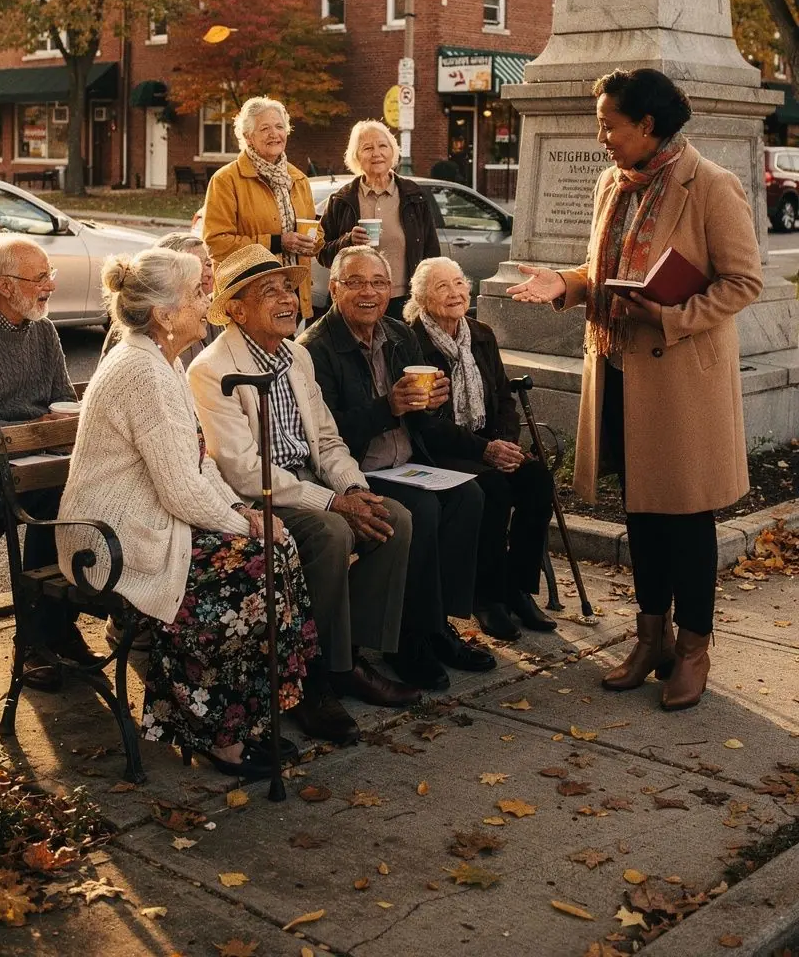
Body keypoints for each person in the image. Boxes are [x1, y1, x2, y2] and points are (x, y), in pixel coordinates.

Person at [508, 68, 763, 711]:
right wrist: (567, 284)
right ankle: (651, 639)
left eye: (610, 125)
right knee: (642, 512)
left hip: (681, 380)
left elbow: (742, 283)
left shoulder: (711, 186)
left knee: (688, 518)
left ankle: (693, 648)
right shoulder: (610, 186)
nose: (602, 138)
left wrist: (670, 316)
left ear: (646, 126)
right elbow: (606, 270)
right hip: (620, 371)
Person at [57, 247, 318, 779]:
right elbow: (180, 488)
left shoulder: (161, 358)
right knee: (252, 568)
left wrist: (243, 511)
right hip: (111, 540)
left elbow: (198, 466)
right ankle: (214, 729)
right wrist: (242, 521)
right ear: (165, 314)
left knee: (275, 550)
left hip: (152, 522)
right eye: (198, 294)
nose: (207, 304)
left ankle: (244, 716)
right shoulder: (142, 372)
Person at [189, 245, 418, 745]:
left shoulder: (296, 356)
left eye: (289, 289)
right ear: (236, 308)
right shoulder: (211, 368)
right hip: (255, 502)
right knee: (331, 532)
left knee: (392, 517)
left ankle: (349, 659)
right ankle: (311, 680)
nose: (288, 300)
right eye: (269, 292)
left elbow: (329, 440)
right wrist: (333, 503)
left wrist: (353, 488)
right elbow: (243, 472)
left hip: (309, 483)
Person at [299, 246, 495, 692]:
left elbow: (417, 419)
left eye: (379, 283)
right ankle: (406, 640)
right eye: (356, 283)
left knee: (469, 496)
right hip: (355, 473)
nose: (369, 292)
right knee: (421, 512)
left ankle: (438, 623)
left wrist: (432, 403)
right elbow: (327, 438)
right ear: (334, 289)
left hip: (407, 463)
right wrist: (388, 407)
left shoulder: (397, 334)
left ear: (392, 290)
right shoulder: (316, 349)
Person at [405, 257, 556, 640]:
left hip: (487, 441)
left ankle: (517, 588)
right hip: (438, 450)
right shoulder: (410, 342)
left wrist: (503, 442)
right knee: (494, 488)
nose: (455, 293)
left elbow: (504, 397)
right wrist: (485, 451)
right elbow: (424, 424)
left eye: (459, 283)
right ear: (421, 297)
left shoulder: (481, 334)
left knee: (537, 479)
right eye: (442, 287)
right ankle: (486, 598)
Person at [0, 235, 98, 689]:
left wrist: (49, 425)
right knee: (51, 497)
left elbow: (64, 400)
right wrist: (33, 425)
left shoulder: (44, 330)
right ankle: (37, 640)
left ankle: (57, 626)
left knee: (81, 490)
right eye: (40, 278)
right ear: (5, 285)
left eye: (51, 275)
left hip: (37, 460)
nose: (49, 285)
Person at [203, 96, 318, 321]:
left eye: (279, 126)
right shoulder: (226, 180)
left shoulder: (298, 179)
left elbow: (313, 233)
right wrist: (277, 242)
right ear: (248, 136)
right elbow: (216, 243)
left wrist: (315, 240)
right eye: (265, 128)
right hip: (248, 297)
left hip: (291, 294)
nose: (274, 134)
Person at [318, 120, 440, 320]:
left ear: (393, 152)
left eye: (383, 146)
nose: (376, 153)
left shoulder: (413, 195)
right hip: (358, 300)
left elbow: (431, 251)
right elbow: (322, 253)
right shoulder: (342, 199)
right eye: (367, 148)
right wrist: (348, 242)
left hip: (404, 301)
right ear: (356, 156)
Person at [101, 232, 221, 370]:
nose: (207, 272)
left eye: (207, 263)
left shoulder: (211, 313)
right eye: (193, 266)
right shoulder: (137, 340)